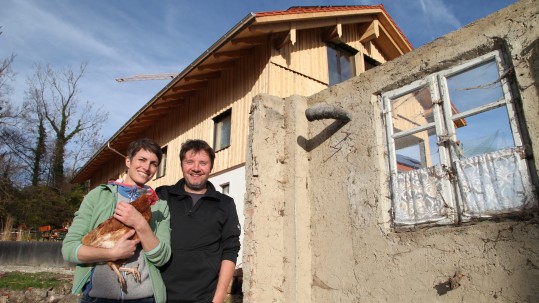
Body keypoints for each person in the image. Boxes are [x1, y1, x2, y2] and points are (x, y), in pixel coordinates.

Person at [62, 138, 171, 303]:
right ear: (128, 161)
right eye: (142, 160)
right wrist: (112, 254)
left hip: (143, 297)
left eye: (154, 163)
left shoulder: (159, 206)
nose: (147, 167)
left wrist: (140, 224)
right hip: (99, 296)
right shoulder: (98, 196)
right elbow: (69, 249)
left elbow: (162, 257)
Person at [156, 139, 241, 303]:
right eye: (190, 162)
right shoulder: (163, 196)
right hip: (160, 296)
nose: (196, 168)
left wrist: (217, 300)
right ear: (182, 164)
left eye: (203, 163)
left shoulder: (225, 204)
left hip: (204, 298)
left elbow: (230, 251)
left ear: (211, 167)